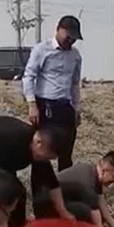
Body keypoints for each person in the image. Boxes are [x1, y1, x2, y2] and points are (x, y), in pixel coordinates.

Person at [22, 15, 83, 171]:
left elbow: (75, 83)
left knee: (66, 153)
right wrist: (32, 104)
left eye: (74, 38)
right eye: (69, 36)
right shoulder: (42, 50)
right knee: (41, 154)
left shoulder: (75, 55)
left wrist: (76, 108)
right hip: (46, 105)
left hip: (65, 107)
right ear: (59, 30)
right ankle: (42, 192)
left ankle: (65, 189)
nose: (71, 41)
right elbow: (29, 76)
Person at [33, 151, 114, 227]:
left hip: (60, 199)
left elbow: (101, 201)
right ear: (104, 170)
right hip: (45, 205)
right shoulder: (87, 184)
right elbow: (98, 224)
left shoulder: (92, 170)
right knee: (85, 212)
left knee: (95, 213)